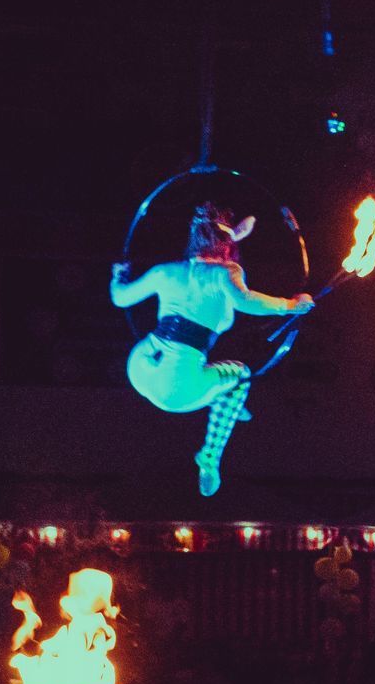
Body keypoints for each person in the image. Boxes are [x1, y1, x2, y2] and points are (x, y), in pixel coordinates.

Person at [111, 203, 313, 495]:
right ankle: (210, 454)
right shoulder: (225, 273)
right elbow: (245, 301)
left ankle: (223, 402)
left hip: (139, 368)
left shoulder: (165, 272)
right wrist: (291, 305)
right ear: (228, 245)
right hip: (179, 389)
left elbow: (120, 298)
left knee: (215, 379)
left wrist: (119, 275)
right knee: (241, 375)